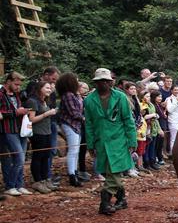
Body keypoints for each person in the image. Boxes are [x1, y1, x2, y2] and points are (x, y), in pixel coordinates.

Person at [84, 68, 137, 214]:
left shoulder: (120, 97)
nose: (104, 84)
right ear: (96, 83)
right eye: (100, 81)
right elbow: (88, 124)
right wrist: (90, 143)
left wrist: (132, 140)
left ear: (110, 82)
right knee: (111, 172)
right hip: (101, 141)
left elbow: (128, 120)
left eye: (106, 81)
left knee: (114, 172)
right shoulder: (89, 100)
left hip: (119, 140)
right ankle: (121, 200)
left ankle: (104, 201)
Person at [0, 71, 32, 196]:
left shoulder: (17, 95)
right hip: (7, 130)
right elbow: (2, 114)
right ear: (8, 82)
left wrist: (23, 112)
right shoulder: (1, 94)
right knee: (18, 157)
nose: (18, 87)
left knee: (21, 158)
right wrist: (17, 113)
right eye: (16, 84)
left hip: (20, 130)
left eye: (20, 85)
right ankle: (10, 185)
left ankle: (19, 185)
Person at [25, 81, 59, 193]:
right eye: (47, 88)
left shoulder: (45, 101)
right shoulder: (32, 101)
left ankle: (45, 179)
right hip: (37, 133)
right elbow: (31, 119)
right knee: (38, 157)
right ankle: (37, 181)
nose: (50, 90)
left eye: (50, 88)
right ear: (40, 88)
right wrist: (46, 114)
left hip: (47, 132)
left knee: (46, 157)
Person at [56, 72, 85, 187]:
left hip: (76, 125)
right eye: (76, 80)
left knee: (75, 151)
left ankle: (75, 173)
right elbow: (73, 112)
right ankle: (72, 175)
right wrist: (84, 118)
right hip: (69, 124)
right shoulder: (68, 95)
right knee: (73, 151)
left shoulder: (74, 95)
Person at [141, 90, 161, 170]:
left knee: (152, 145)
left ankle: (152, 161)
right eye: (146, 96)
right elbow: (144, 116)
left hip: (153, 127)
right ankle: (146, 162)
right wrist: (153, 115)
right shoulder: (143, 105)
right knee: (147, 146)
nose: (148, 98)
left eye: (149, 96)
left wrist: (155, 116)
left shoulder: (151, 105)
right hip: (146, 128)